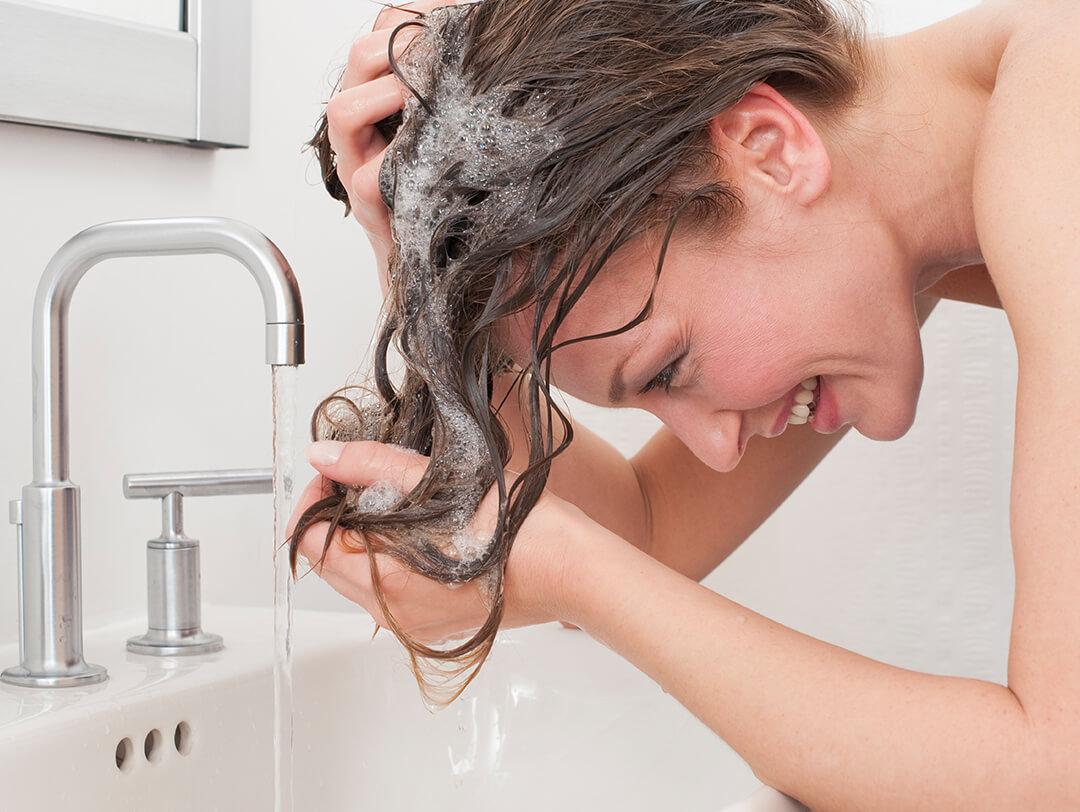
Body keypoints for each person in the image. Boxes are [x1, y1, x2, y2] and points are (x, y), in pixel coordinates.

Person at [289, 0, 1080, 806]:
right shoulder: (965, 179)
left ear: (768, 150)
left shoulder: (1063, 119)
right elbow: (649, 531)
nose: (717, 450)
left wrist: (569, 570)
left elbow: (1057, 773)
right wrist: (424, 272)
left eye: (669, 368)